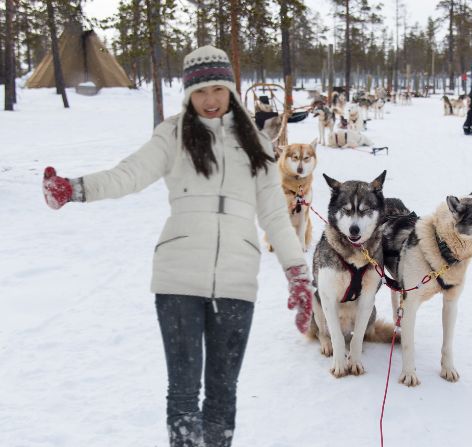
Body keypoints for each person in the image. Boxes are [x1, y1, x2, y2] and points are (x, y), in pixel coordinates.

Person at [41, 45, 314, 447]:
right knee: (184, 394)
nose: (209, 100)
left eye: (217, 90)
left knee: (223, 394)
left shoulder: (254, 142)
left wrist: (297, 274)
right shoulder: (173, 134)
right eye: (200, 92)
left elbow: (275, 215)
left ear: (230, 91)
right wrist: (75, 189)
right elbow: (128, 175)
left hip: (238, 280)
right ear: (188, 94)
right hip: (177, 279)